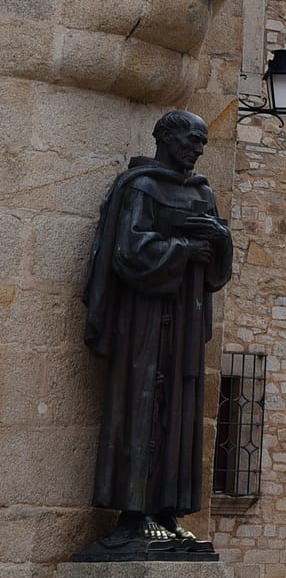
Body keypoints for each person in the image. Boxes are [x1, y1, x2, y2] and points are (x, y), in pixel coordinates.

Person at [81, 110, 232, 555]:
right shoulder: (140, 187)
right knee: (141, 405)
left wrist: (219, 241)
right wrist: (185, 248)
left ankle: (168, 510)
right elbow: (129, 252)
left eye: (203, 142)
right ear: (165, 137)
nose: (198, 148)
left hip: (187, 318)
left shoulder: (202, 191)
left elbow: (218, 269)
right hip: (145, 320)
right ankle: (133, 513)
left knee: (182, 411)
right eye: (191, 139)